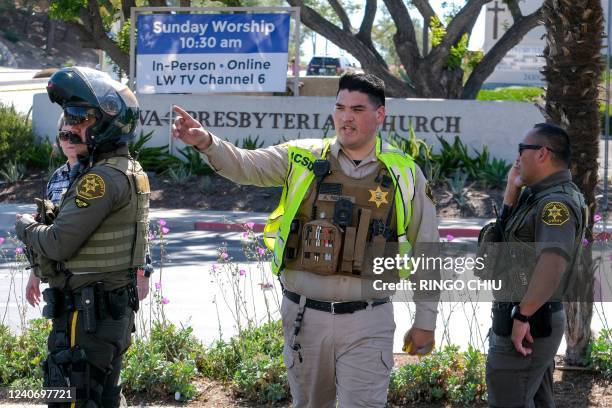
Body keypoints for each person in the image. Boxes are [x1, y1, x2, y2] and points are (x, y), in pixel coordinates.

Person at [172, 72, 440, 407]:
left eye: (357, 109)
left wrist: (425, 321)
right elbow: (245, 165)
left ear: (380, 115)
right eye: (340, 107)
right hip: (304, 318)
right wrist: (206, 142)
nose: (346, 117)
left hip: (368, 320)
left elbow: (428, 249)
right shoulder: (302, 157)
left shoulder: (404, 173)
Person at [15, 66, 150, 407]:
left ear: (106, 124)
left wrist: (24, 226)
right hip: (107, 312)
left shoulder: (99, 180)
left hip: (86, 318)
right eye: (68, 118)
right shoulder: (129, 169)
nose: (71, 127)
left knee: (69, 400)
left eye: (79, 118)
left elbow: (59, 242)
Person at [486, 123, 587, 407]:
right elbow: (502, 243)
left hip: (529, 324)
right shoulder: (536, 197)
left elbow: (552, 264)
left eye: (522, 150)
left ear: (542, 153)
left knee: (507, 401)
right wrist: (511, 190)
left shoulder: (555, 204)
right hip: (529, 319)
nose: (517, 158)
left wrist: (522, 316)